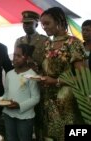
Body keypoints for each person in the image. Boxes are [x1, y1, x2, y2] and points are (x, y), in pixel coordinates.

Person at [39, 7, 86, 141]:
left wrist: (55, 81)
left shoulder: (73, 43)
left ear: (59, 21)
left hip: (66, 101)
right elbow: (48, 70)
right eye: (42, 24)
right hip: (48, 100)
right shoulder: (47, 43)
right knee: (49, 135)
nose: (44, 27)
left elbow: (82, 77)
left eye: (47, 23)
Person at [2, 44, 40, 141]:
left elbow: (36, 98)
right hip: (8, 114)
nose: (15, 58)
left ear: (27, 57)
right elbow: (6, 93)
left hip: (25, 117)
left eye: (19, 56)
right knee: (10, 138)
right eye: (14, 55)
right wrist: (2, 100)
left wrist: (19, 105)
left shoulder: (32, 75)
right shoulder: (9, 74)